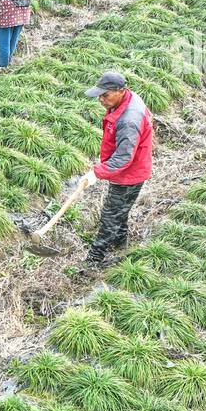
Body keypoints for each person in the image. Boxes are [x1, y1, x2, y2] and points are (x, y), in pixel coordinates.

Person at [78, 72, 154, 267]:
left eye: (105, 95)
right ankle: (121, 246)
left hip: (130, 174)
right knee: (120, 210)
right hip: (128, 169)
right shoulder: (124, 101)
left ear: (121, 91)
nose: (101, 100)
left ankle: (94, 259)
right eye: (99, 96)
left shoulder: (129, 120)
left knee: (110, 216)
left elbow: (123, 158)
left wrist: (96, 172)